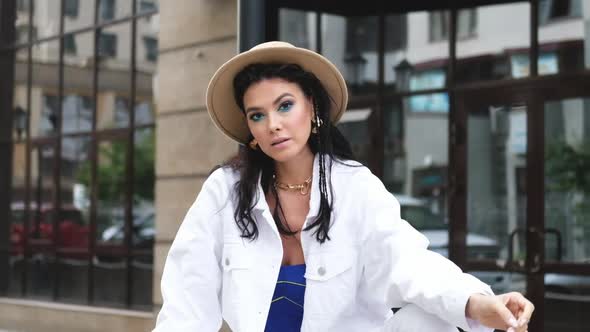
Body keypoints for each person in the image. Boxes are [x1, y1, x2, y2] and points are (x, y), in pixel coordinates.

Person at [153, 41, 534, 332]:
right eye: (257, 115)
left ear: (313, 109)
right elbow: (189, 294)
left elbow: (406, 261)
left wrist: (477, 302)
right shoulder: (226, 190)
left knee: (424, 320)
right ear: (250, 129)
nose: (273, 124)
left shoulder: (354, 186)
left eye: (285, 106)